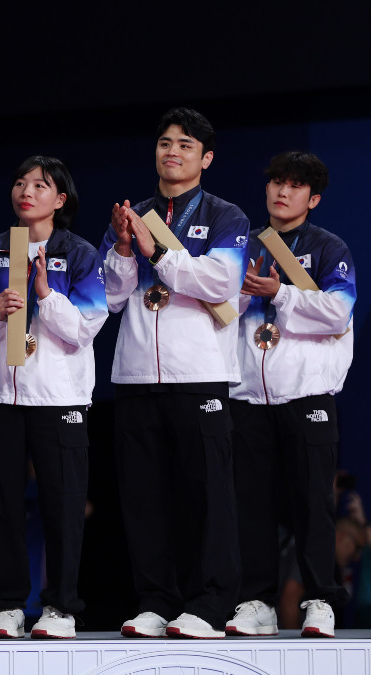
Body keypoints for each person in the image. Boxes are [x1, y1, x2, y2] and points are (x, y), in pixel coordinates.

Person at [99, 107, 249, 639]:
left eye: (185, 145)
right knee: (144, 497)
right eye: (165, 143)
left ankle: (209, 605)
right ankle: (155, 600)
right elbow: (111, 299)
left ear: (206, 158)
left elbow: (222, 284)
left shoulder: (227, 216)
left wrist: (155, 251)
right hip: (137, 375)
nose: (172, 151)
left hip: (200, 373)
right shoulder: (133, 214)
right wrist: (121, 248)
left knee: (205, 495)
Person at [0, 156, 105, 639]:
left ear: (60, 200)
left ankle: (61, 606)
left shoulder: (79, 253)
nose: (27, 190)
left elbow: (84, 330)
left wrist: (47, 295)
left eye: (41, 185)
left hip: (60, 400)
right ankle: (5, 606)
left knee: (63, 504)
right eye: (20, 182)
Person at [225, 151, 354, 638]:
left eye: (295, 186)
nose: (282, 191)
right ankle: (255, 601)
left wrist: (279, 293)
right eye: (276, 182)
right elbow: (219, 312)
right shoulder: (244, 245)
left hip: (306, 395)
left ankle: (321, 600)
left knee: (311, 502)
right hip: (248, 397)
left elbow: (338, 314)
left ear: (313, 198)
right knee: (250, 505)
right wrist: (240, 293)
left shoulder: (328, 247)